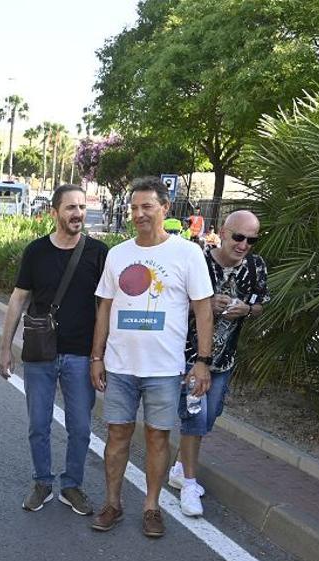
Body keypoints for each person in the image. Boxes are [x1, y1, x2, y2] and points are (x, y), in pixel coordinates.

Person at [89, 175, 213, 539]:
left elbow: (203, 310)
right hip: (119, 365)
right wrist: (96, 357)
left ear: (165, 207)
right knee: (117, 435)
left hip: (164, 368)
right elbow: (104, 308)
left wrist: (202, 361)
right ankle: (112, 503)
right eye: (134, 208)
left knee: (158, 438)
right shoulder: (118, 254)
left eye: (147, 206)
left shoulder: (187, 254)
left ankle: (151, 506)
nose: (139, 214)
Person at [0, 184, 108, 515]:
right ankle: (43, 483)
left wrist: (100, 355)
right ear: (55, 212)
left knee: (80, 428)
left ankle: (71, 486)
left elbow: (106, 306)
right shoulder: (36, 251)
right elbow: (19, 298)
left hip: (80, 355)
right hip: (40, 352)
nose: (78, 213)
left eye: (82, 207)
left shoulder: (98, 252)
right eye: (71, 207)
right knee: (38, 425)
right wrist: (5, 348)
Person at [169, 210, 268, 516]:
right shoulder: (197, 260)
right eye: (238, 237)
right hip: (190, 357)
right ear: (223, 233)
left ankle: (179, 467)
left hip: (225, 360)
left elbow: (261, 304)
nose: (244, 245)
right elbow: (172, 302)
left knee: (208, 418)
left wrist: (246, 310)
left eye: (251, 240)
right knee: (194, 418)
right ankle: (189, 484)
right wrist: (204, 305)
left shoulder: (255, 266)